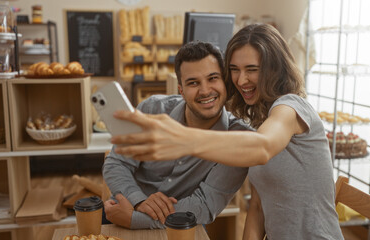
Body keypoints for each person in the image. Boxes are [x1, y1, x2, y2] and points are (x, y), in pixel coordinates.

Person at [110, 24, 344, 239]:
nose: (242, 80)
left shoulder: (291, 107)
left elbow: (263, 147)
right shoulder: (259, 123)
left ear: (275, 69)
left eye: (252, 69)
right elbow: (258, 208)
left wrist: (183, 139)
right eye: (234, 70)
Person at [103, 41, 251, 229]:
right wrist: (139, 201)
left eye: (212, 78)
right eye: (193, 82)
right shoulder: (152, 109)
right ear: (180, 89)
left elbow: (203, 206)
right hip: (123, 211)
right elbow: (117, 163)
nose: (205, 90)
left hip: (179, 225)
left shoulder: (238, 138)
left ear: (225, 82)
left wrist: (136, 218)